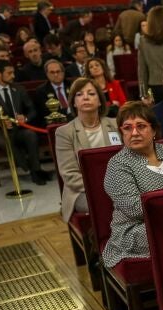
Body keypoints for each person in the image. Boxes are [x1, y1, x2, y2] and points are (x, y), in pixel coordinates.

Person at [102, 101, 163, 269]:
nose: (134, 133)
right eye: (127, 128)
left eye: (141, 126)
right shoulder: (117, 164)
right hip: (137, 229)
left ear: (153, 130)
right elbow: (135, 208)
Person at [0, 60, 51, 185]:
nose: (13, 76)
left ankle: (35, 170)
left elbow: (32, 110)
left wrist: (25, 118)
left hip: (19, 128)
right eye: (9, 73)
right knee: (4, 140)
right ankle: (30, 168)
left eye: (13, 72)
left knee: (30, 135)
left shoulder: (19, 89)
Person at [55, 78, 120, 220]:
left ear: (100, 101)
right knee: (105, 203)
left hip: (118, 185)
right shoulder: (64, 132)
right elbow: (70, 174)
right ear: (73, 102)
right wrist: (101, 189)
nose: (85, 97)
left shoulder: (115, 125)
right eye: (79, 94)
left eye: (91, 93)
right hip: (82, 191)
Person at [33, 59, 72, 125]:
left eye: (58, 71)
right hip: (56, 123)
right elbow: (45, 113)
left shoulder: (72, 85)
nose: (56, 75)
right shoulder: (41, 91)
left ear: (63, 72)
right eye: (52, 72)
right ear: (47, 74)